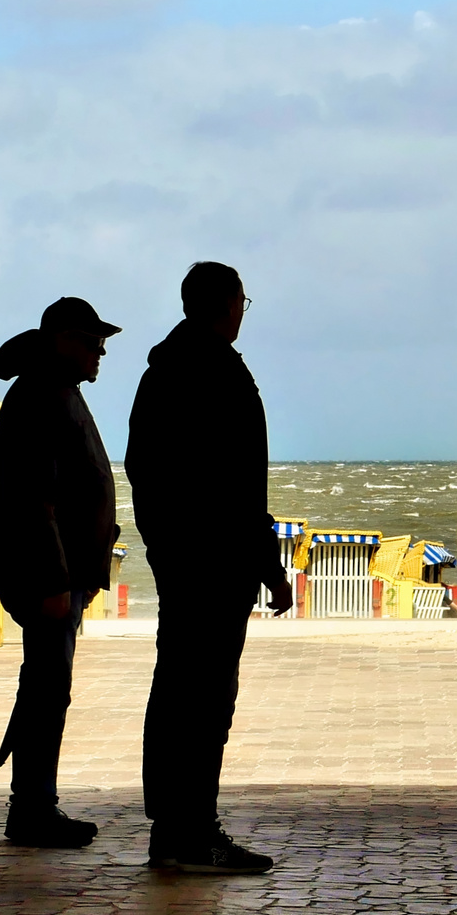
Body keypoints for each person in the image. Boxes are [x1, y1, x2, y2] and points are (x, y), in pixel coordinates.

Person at [126, 261, 293, 874]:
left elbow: (142, 470)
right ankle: (194, 832)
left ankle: (173, 830)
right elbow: (240, 486)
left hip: (181, 562)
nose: (243, 313)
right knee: (204, 699)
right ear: (227, 306)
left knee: (176, 693)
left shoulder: (161, 372)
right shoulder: (218, 372)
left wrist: (164, 547)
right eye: (243, 302)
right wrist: (268, 563)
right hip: (214, 566)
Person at [0, 297, 121, 848]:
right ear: (63, 338)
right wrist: (53, 582)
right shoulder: (41, 395)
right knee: (46, 688)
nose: (101, 352)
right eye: (93, 341)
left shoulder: (54, 390)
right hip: (48, 579)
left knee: (46, 687)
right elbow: (32, 500)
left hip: (62, 577)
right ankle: (33, 809)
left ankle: (36, 804)